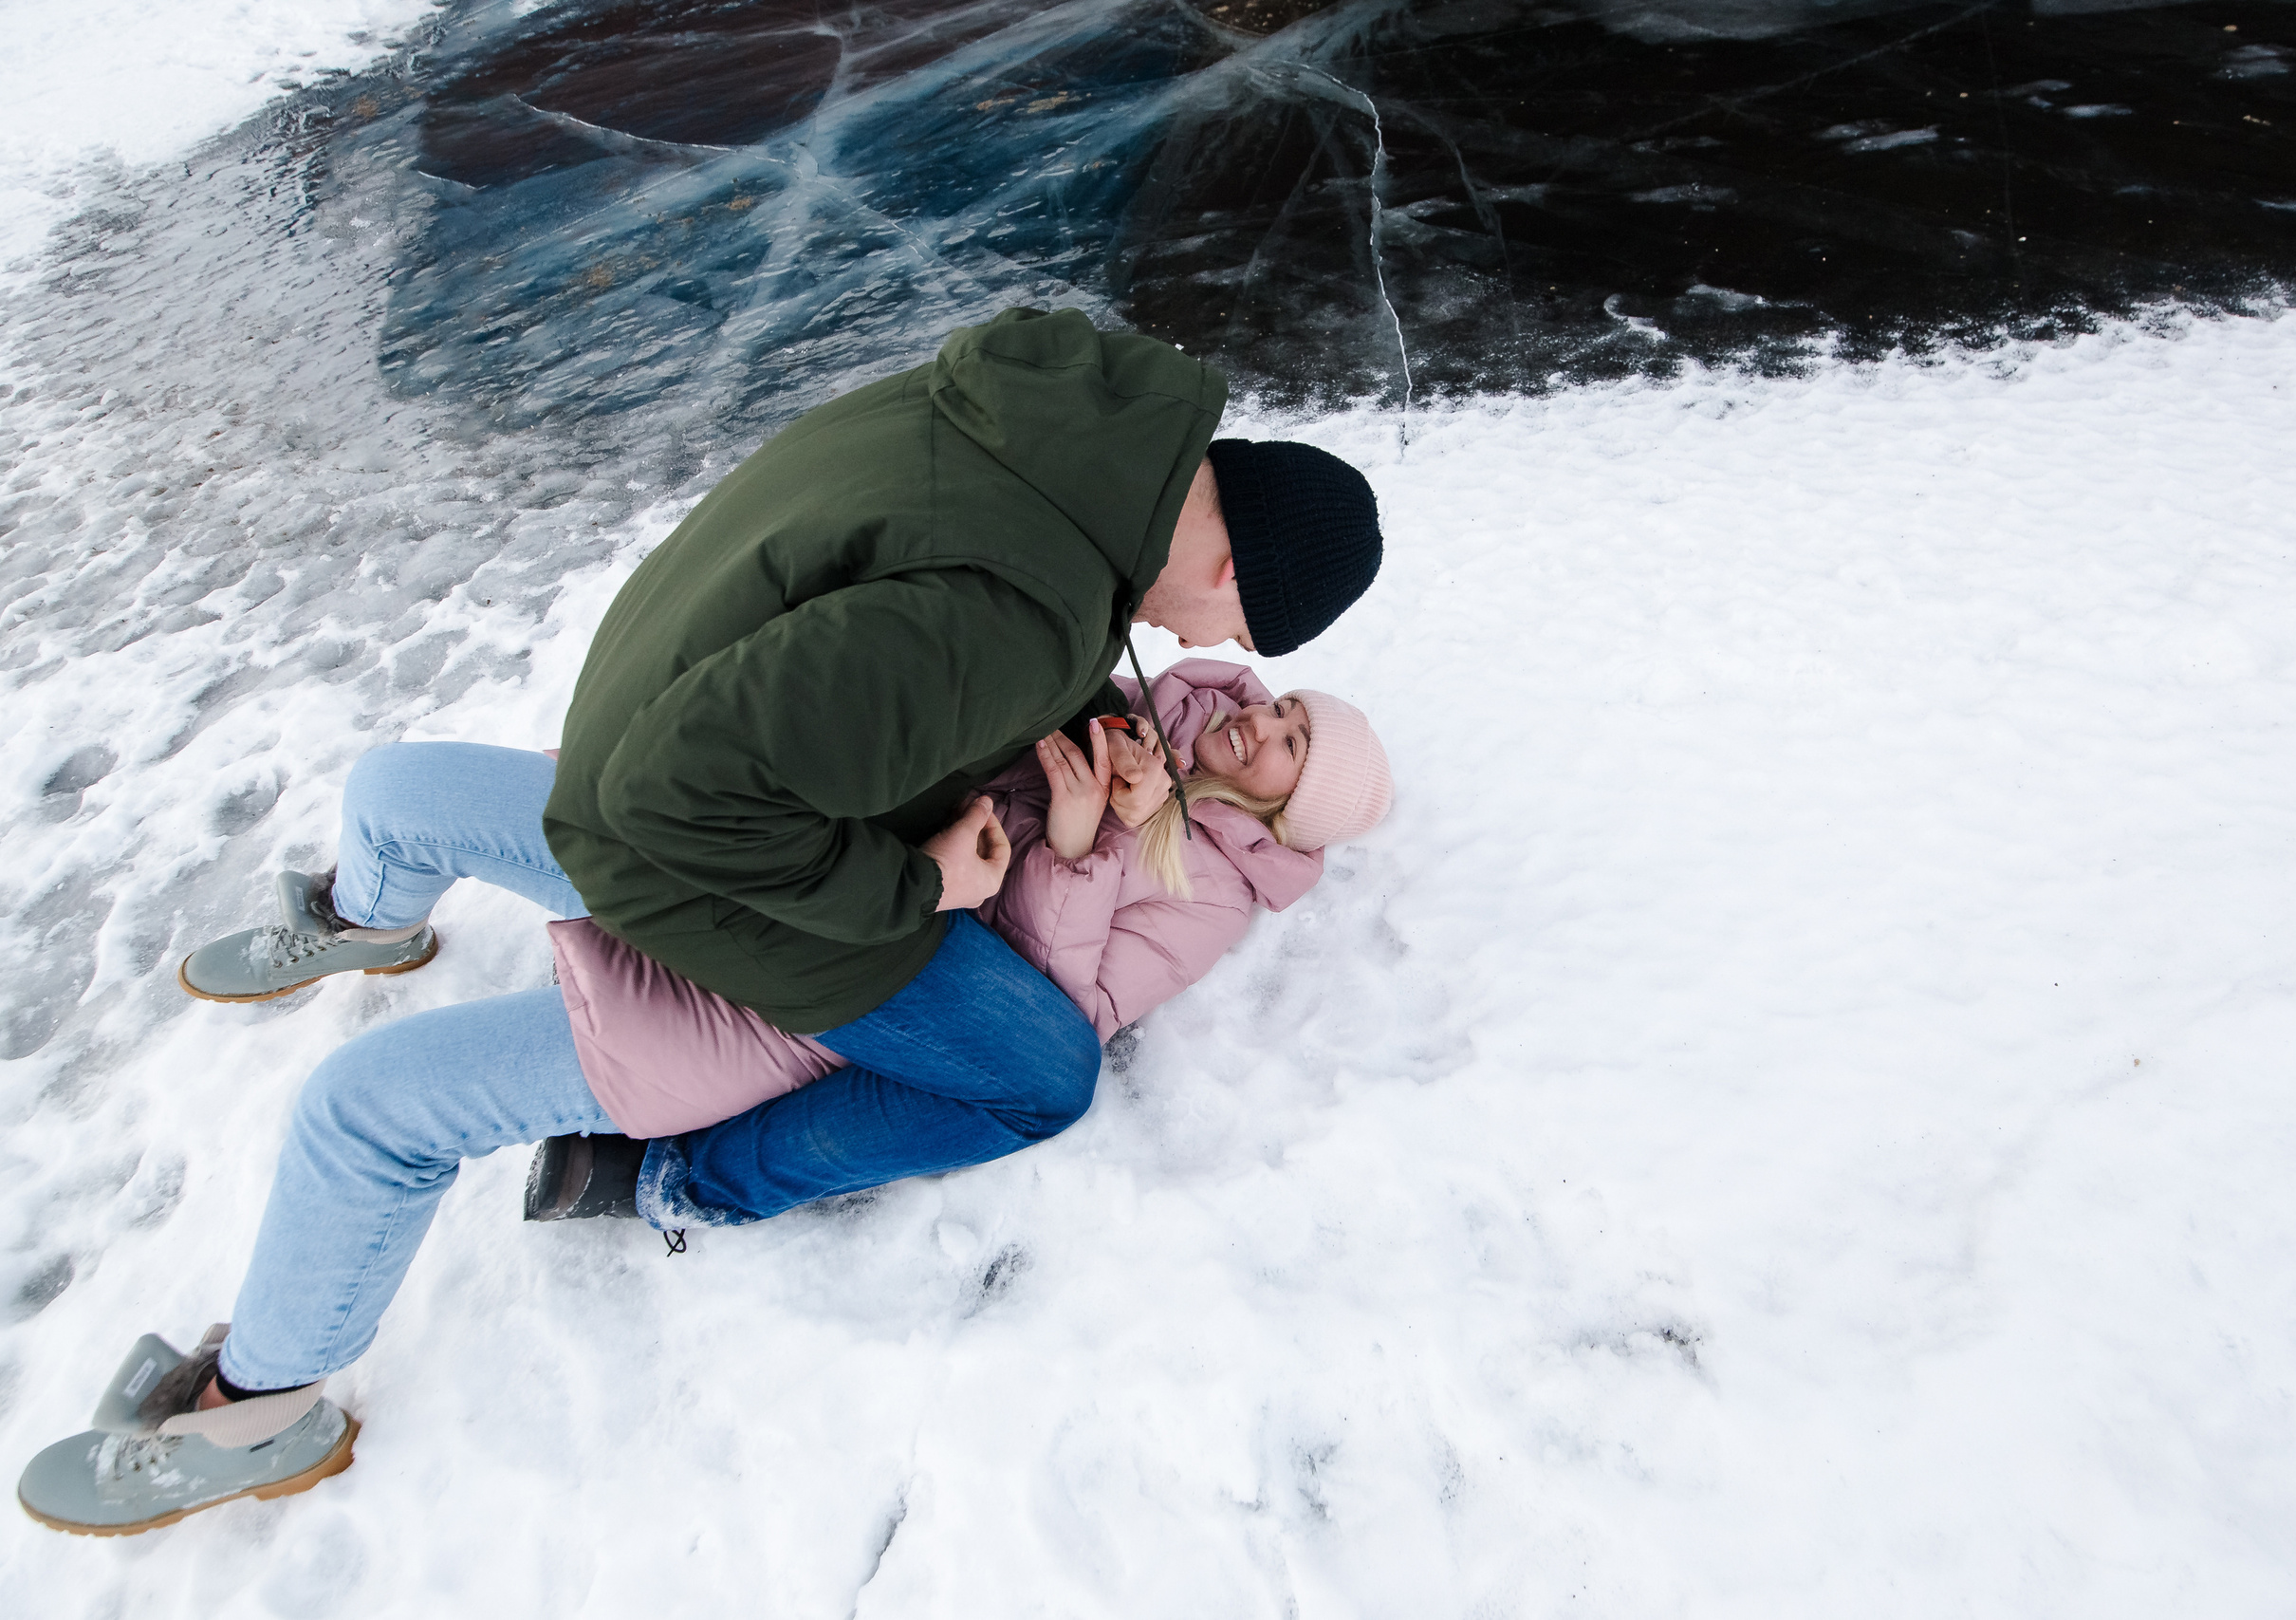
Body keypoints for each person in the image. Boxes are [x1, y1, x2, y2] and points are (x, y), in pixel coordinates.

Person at [18, 308, 1385, 1536]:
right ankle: (281, 1372)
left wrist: (1071, 834)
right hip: (730, 850)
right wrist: (932, 880)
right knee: (381, 1037)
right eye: (1253, 633)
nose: (1245, 674)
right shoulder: (1037, 627)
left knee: (394, 849)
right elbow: (719, 790)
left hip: (701, 766)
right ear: (1222, 556)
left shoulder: (1043, 439)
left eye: (1275, 712)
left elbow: (992, 842)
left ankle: (289, 1301)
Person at [522, 658, 1392, 1230]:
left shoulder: (1210, 899)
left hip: (932, 960)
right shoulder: (1140, 705)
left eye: (1291, 748)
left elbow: (1055, 1017)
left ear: (1287, 813)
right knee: (627, 838)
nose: (1262, 724)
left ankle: (692, 1180)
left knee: (1028, 1085)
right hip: (871, 855)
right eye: (1283, 709)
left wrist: (1085, 843)